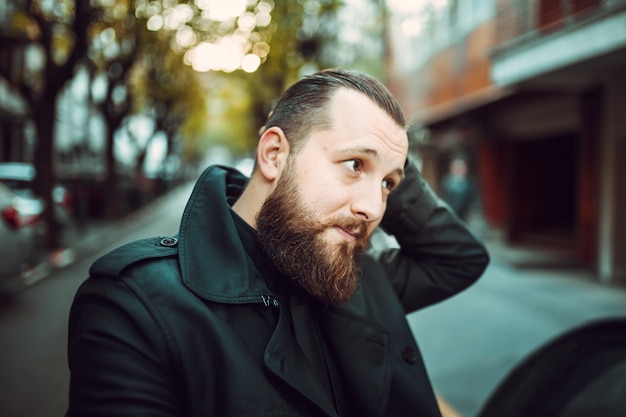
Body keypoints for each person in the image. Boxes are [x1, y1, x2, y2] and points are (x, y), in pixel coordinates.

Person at [66, 68, 489, 417]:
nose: (374, 208)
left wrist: (388, 154)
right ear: (273, 154)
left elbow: (458, 258)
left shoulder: (353, 275)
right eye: (354, 164)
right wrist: (382, 155)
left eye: (388, 186)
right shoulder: (135, 308)